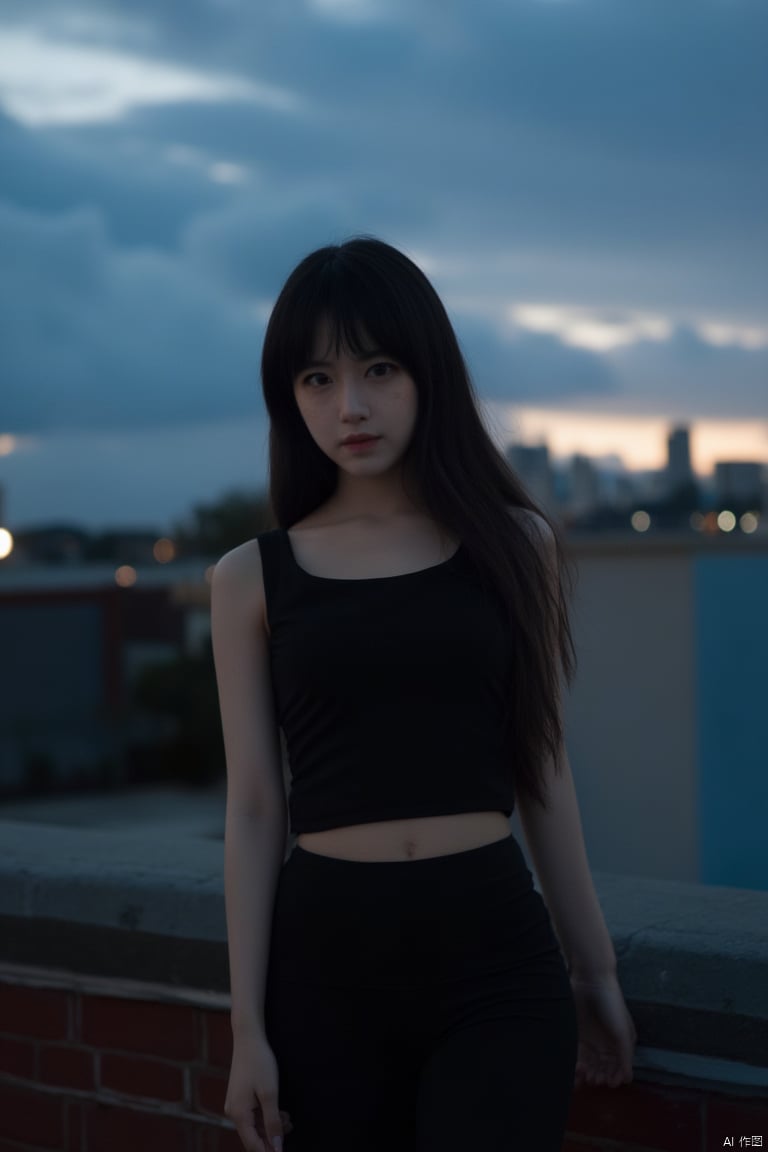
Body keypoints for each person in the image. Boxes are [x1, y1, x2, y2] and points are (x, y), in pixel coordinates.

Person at [210, 236, 637, 1152]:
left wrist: (594, 969)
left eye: (378, 367)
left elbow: (543, 768)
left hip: (494, 960)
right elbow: (252, 808)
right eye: (316, 379)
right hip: (324, 970)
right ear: (288, 397)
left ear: (427, 373)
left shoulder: (515, 545)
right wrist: (247, 1029)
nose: (349, 406)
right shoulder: (249, 579)